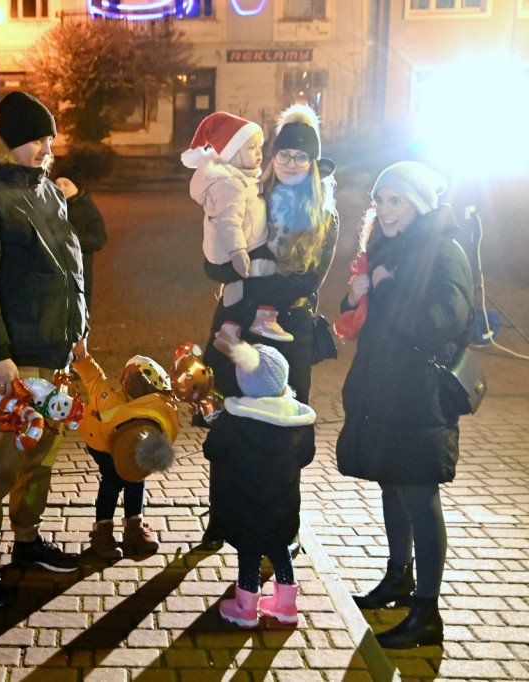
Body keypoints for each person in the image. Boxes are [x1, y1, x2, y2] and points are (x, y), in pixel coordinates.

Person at [0, 91, 87, 608]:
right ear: (8, 141)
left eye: (49, 139)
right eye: (35, 140)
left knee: (39, 459)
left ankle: (26, 541)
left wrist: (78, 327)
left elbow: (69, 263)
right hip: (13, 355)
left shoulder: (46, 189)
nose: (45, 148)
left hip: (54, 350)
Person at [336, 161, 474, 650]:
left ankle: (427, 613)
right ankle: (398, 579)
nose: (386, 210)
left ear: (418, 203)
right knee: (392, 486)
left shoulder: (445, 253)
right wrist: (353, 299)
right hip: (388, 392)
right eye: (380, 200)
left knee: (419, 495)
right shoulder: (386, 247)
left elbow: (441, 323)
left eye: (396, 200)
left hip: (421, 398)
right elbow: (365, 314)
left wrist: (387, 288)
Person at [196, 105, 339, 552]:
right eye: (285, 154)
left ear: (313, 163)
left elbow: (306, 281)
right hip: (238, 327)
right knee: (227, 420)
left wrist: (250, 280)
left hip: (288, 332)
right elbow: (214, 266)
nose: (291, 162)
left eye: (302, 156)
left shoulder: (325, 216)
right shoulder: (249, 195)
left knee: (283, 432)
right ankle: (221, 518)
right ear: (273, 156)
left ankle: (283, 529)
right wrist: (232, 264)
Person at [204, 337, 316, 629]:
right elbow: (306, 457)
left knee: (250, 552)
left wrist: (215, 423)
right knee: (280, 548)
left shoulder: (234, 420)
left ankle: (246, 606)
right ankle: (286, 605)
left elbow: (212, 451)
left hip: (245, 505)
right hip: (284, 505)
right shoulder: (298, 421)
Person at [182, 112, 293, 343]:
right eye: (251, 148)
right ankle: (264, 317)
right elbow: (229, 220)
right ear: (232, 153)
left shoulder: (240, 178)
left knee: (236, 293)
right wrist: (237, 252)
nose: (259, 153)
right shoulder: (229, 185)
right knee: (269, 270)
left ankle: (228, 331)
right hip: (242, 249)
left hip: (247, 244)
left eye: (259, 147)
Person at [71, 337, 178, 561]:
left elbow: (95, 377)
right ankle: (103, 532)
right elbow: (94, 378)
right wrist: (81, 356)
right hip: (103, 445)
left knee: (136, 478)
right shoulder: (111, 400)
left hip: (137, 444)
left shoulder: (155, 406)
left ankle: (133, 527)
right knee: (112, 480)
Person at [55, 168, 107, 312]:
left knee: (78, 308)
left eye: (66, 184)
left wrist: (75, 243)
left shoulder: (87, 208)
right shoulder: (51, 207)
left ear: (76, 187)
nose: (61, 188)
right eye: (58, 184)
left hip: (80, 267)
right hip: (55, 268)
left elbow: (100, 238)